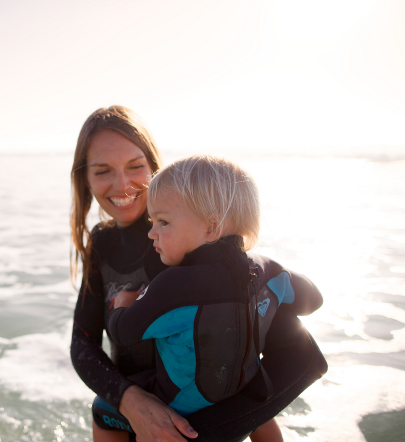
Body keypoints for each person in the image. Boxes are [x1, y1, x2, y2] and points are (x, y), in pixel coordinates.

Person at [69, 106, 327, 442]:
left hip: (195, 426)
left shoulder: (185, 244)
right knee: (102, 411)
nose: (123, 184)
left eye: (135, 167)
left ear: (153, 167)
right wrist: (129, 401)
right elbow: (83, 344)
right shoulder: (101, 242)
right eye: (103, 170)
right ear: (84, 179)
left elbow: (264, 360)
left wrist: (223, 426)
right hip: (131, 415)